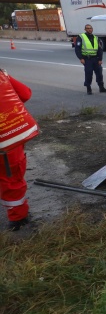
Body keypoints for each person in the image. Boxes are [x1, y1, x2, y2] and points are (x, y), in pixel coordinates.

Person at [0, 69, 39, 231]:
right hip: (6, 140)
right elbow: (25, 93)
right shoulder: (1, 75)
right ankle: (18, 219)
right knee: (12, 179)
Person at [75, 24, 106, 95]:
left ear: (92, 29)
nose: (89, 29)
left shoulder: (95, 38)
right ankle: (88, 88)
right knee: (88, 73)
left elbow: (99, 49)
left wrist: (100, 59)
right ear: (85, 29)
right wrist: (81, 58)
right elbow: (77, 49)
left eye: (90, 28)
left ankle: (101, 87)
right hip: (87, 59)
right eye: (87, 28)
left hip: (95, 59)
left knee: (99, 73)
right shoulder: (81, 37)